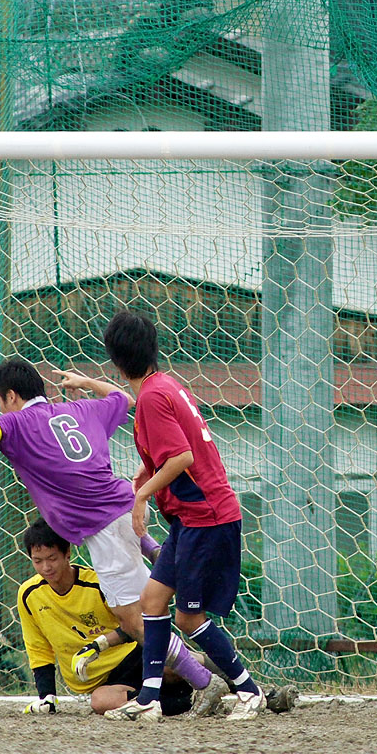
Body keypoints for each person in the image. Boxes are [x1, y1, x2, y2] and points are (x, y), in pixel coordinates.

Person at [0, 356, 226, 714]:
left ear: (10, 396)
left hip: (104, 526)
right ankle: (157, 559)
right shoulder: (81, 409)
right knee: (144, 608)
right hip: (122, 509)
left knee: (135, 621)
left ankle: (204, 681)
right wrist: (87, 382)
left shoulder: (14, 422)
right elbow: (123, 397)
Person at [100, 309, 267, 722]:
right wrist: (147, 469)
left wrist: (140, 496)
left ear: (117, 363)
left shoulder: (154, 397)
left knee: (189, 617)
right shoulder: (165, 384)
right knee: (152, 600)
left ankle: (249, 692)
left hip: (207, 516)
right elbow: (171, 451)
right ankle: (149, 700)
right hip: (192, 518)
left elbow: (181, 456)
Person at [17, 518, 210, 717]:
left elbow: (133, 625)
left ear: (67, 553)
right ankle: (187, 703)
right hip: (105, 680)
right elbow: (38, 648)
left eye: (52, 558)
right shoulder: (28, 594)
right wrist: (47, 696)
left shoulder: (98, 584)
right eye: (38, 561)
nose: (46, 567)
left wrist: (98, 644)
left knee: (175, 661)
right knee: (101, 702)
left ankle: (232, 680)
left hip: (131, 655)